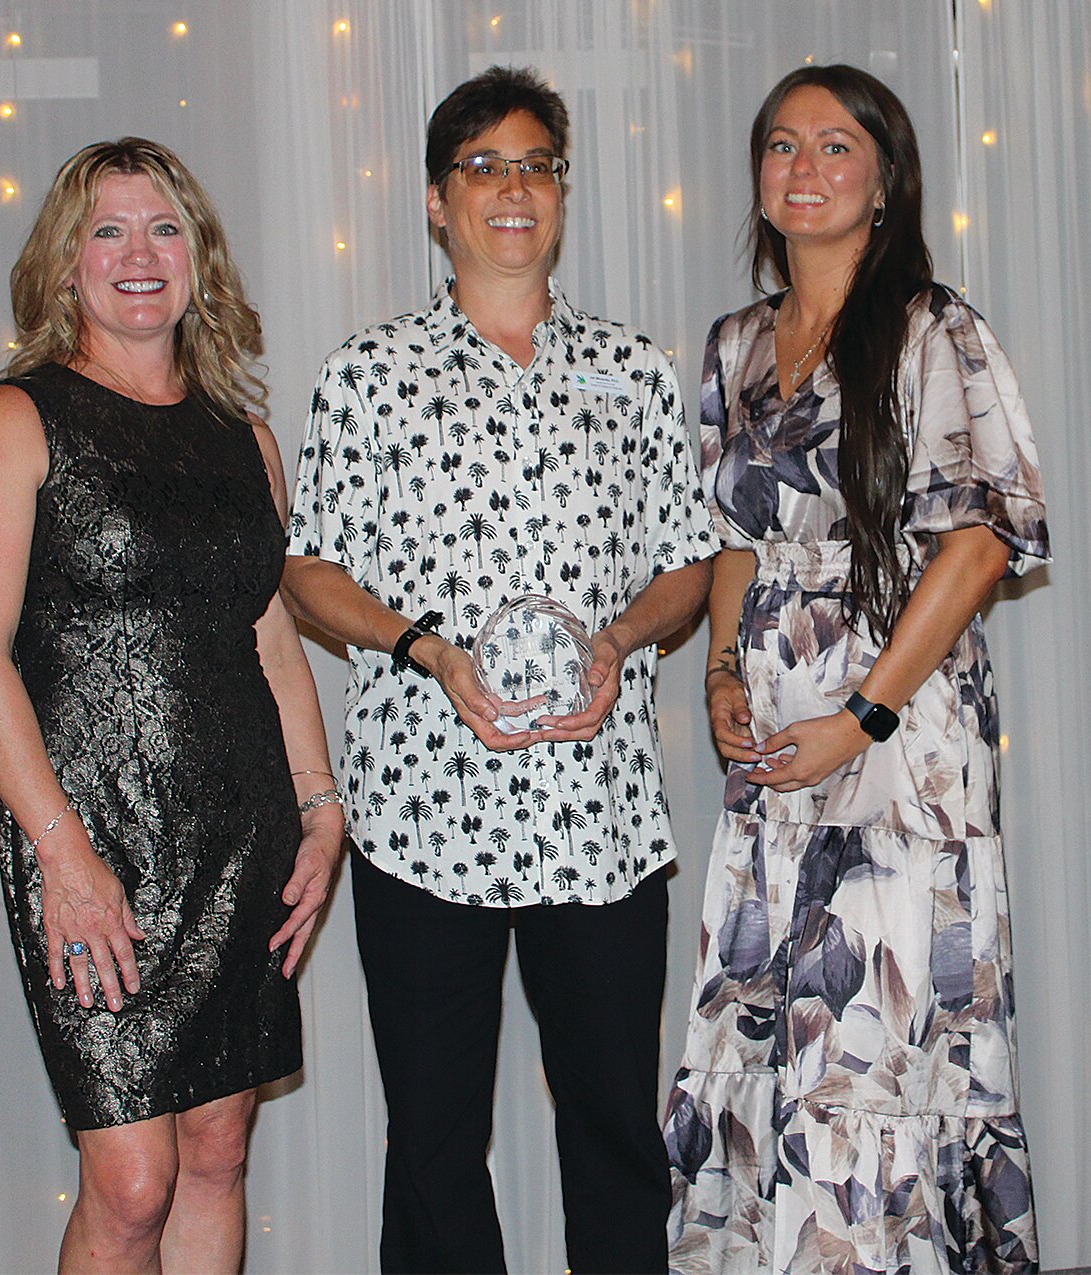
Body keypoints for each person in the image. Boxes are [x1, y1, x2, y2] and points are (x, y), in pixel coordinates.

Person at [284, 66, 717, 1274]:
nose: (513, 189)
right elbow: (309, 569)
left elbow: (687, 566)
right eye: (484, 167)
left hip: (599, 813)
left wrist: (620, 641)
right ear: (436, 200)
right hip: (425, 812)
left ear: (560, 194)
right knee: (431, 1142)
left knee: (616, 1129)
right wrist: (424, 648)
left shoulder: (631, 372)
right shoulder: (368, 375)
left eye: (536, 166)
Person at [662, 64, 1047, 1274]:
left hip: (901, 746)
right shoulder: (732, 347)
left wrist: (866, 713)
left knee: (873, 1041)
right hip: (774, 748)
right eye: (781, 146)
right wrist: (721, 670)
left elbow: (982, 540)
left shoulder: (937, 330)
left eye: (835, 146)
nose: (804, 167)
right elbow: (733, 538)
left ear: (885, 179)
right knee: (772, 1038)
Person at [0, 138, 343, 1274]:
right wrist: (62, 855)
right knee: (130, 1181)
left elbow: (269, 633)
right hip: (89, 841)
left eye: (163, 228)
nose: (138, 254)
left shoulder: (241, 437)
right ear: (65, 265)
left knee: (217, 1151)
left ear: (198, 258)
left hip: (241, 830)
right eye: (106, 232)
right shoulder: (15, 420)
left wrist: (321, 809)